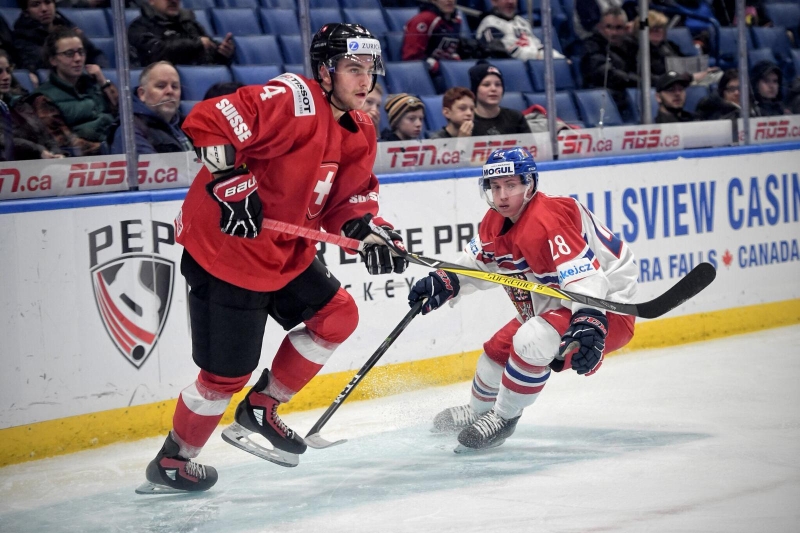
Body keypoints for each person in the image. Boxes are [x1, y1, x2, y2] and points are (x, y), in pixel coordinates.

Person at [137, 23, 408, 494]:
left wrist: (368, 232)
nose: (364, 81)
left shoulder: (361, 126)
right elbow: (209, 119)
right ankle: (174, 460)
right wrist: (234, 183)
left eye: (369, 69)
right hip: (227, 251)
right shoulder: (293, 98)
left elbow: (348, 202)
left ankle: (262, 406)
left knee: (336, 315)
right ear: (325, 72)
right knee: (224, 376)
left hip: (284, 253)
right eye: (352, 69)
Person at [408, 147, 637, 451]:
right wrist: (446, 280)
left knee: (531, 340)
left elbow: (586, 277)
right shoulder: (494, 221)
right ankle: (478, 412)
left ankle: (503, 417)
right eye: (496, 187)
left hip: (606, 306)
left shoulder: (548, 218)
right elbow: (477, 264)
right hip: (556, 305)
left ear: (529, 185)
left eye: (511, 185)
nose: (502, 195)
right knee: (494, 356)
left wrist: (590, 319)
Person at [36, 27, 117, 147]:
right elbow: (66, 143)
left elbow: (124, 115)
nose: (78, 59)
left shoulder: (95, 83)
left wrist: (103, 82)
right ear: (53, 60)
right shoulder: (43, 98)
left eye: (81, 52)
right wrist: (107, 149)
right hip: (88, 161)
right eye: (69, 54)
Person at [110, 61, 192, 155]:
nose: (170, 91)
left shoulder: (186, 125)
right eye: (161, 86)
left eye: (175, 86)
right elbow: (154, 168)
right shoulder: (130, 131)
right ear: (142, 94)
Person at [0, 48, 65, 159]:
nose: (6, 77)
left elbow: (46, 136)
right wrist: (39, 151)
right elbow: (4, 140)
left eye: (8, 71)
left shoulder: (20, 103)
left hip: (40, 166)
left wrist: (56, 153)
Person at [128, 0, 235, 67]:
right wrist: (196, 44)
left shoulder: (189, 23)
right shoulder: (139, 27)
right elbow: (157, 51)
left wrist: (222, 53)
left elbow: (208, 50)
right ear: (151, 0)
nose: (173, 0)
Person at [12, 0, 107, 74]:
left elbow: (96, 54)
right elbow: (42, 63)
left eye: (48, 2)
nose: (44, 9)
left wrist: (99, 70)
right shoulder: (22, 36)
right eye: (36, 5)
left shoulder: (68, 27)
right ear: (26, 12)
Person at [580, 6, 639, 122]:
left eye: (619, 28)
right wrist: (637, 80)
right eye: (609, 27)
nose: (614, 32)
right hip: (603, 98)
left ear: (626, 28)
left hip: (629, 94)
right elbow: (604, 72)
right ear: (600, 27)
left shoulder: (632, 45)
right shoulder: (591, 45)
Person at [475, 0, 565, 61]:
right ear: (494, 2)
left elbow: (537, 45)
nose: (510, 2)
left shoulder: (521, 21)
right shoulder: (489, 23)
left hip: (536, 62)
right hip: (515, 68)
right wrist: (537, 57)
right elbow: (502, 51)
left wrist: (559, 58)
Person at [470, 61, 530, 137]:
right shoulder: (466, 120)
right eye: (486, 85)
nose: (493, 89)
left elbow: (529, 147)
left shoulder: (515, 118)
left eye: (498, 84)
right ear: (475, 89)